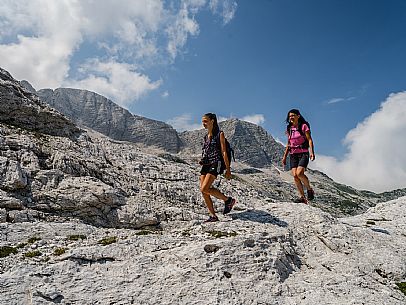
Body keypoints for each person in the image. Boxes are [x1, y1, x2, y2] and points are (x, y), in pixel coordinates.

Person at [199, 113, 236, 222]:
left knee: (204, 188)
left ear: (212, 121)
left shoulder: (220, 134)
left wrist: (228, 170)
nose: (203, 124)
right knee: (203, 191)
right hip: (206, 164)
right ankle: (213, 216)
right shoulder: (206, 137)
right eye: (202, 121)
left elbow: (224, 152)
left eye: (205, 121)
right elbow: (206, 151)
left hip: (216, 163)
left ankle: (228, 200)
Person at [282, 109, 315, 204]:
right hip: (293, 154)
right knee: (295, 176)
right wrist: (284, 157)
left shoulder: (304, 126)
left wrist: (312, 152)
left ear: (298, 116)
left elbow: (309, 140)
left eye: (293, 115)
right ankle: (302, 198)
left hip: (303, 153)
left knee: (300, 173)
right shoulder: (289, 129)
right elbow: (289, 143)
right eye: (289, 116)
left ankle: (309, 189)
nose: (291, 117)